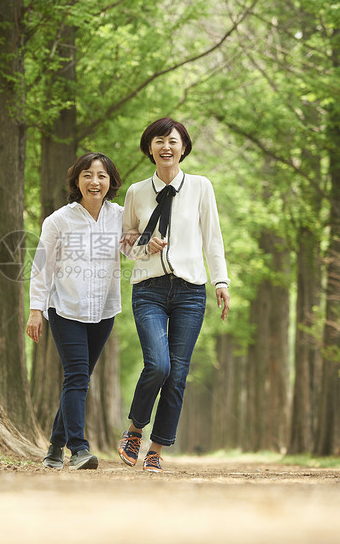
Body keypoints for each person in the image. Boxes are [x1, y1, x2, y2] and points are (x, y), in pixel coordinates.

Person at [118, 117, 230, 473]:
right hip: (148, 288)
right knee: (159, 365)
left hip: (190, 291)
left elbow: (212, 237)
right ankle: (135, 429)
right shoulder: (136, 191)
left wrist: (221, 281)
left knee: (178, 374)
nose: (166, 147)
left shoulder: (200, 187)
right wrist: (144, 245)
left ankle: (156, 448)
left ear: (183, 148)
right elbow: (124, 243)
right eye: (158, 141)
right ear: (149, 147)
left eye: (173, 141)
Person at [27, 152, 124, 470]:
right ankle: (79, 448)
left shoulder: (121, 217)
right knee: (77, 376)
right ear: (77, 181)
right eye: (87, 175)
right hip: (66, 309)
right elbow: (42, 267)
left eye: (101, 176)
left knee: (79, 380)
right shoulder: (59, 220)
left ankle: (55, 446)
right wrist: (35, 310)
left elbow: (134, 245)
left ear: (110, 182)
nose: (94, 181)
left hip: (104, 310)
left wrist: (151, 243)